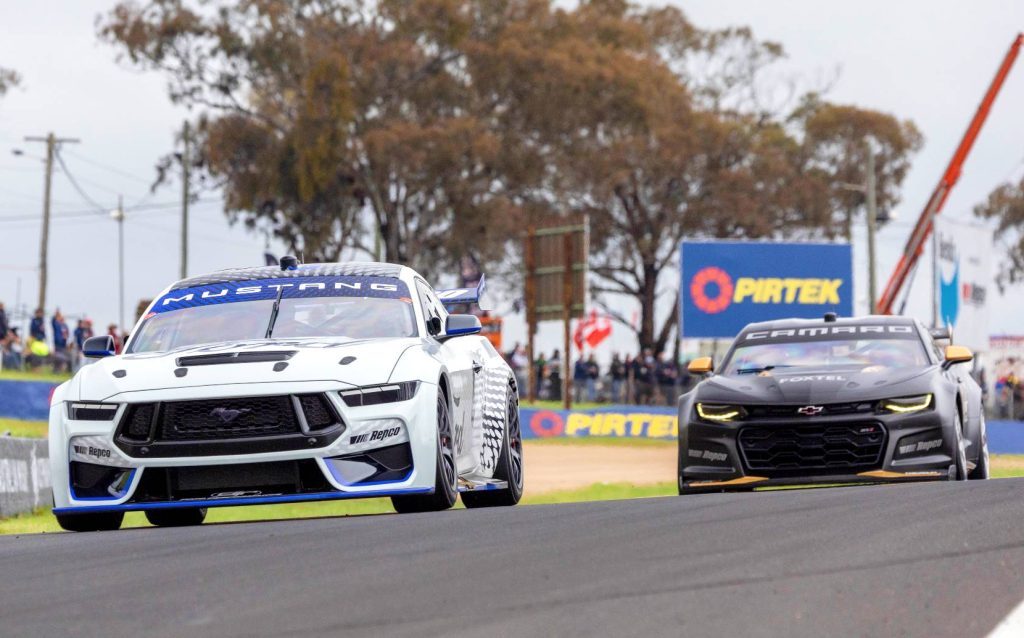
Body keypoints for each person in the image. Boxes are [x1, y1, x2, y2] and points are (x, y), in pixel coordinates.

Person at [51, 309, 71, 374]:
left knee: (64, 358)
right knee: (58, 358)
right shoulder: (56, 325)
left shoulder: (65, 326)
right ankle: (55, 371)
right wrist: (56, 315)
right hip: (57, 345)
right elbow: (53, 321)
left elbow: (67, 334)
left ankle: (61, 371)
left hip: (63, 345)